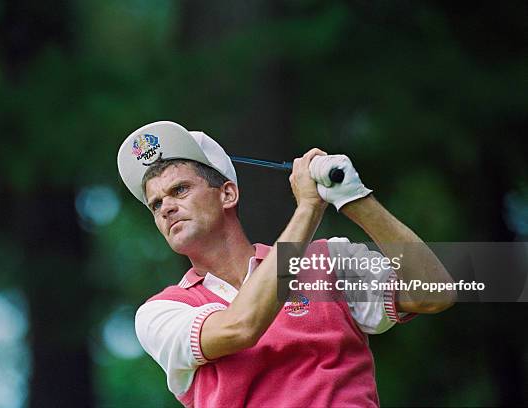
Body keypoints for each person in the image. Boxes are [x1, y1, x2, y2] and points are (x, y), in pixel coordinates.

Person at [117, 121, 456, 407]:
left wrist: (354, 199)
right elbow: (241, 328)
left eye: (180, 190)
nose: (166, 208)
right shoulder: (161, 312)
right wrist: (308, 209)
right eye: (155, 203)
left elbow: (435, 293)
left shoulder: (328, 261)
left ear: (228, 194)